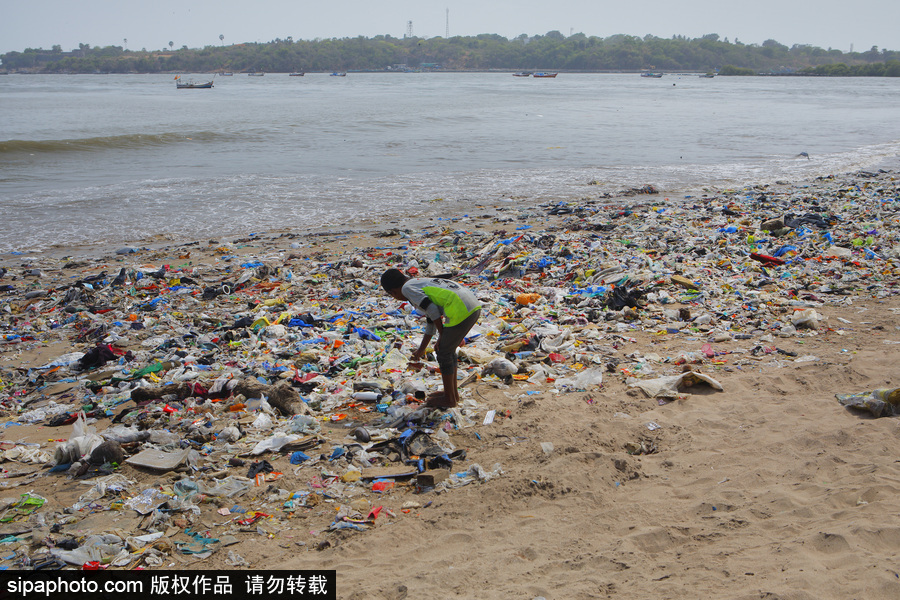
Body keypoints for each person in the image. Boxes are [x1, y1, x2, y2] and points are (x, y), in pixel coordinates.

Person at [380, 268, 481, 408]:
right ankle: (451, 394)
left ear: (393, 292)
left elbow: (433, 310)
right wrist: (421, 350)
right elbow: (431, 319)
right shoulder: (416, 283)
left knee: (443, 352)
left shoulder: (407, 289)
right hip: (471, 304)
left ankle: (449, 399)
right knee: (448, 350)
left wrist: (442, 334)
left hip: (461, 308)